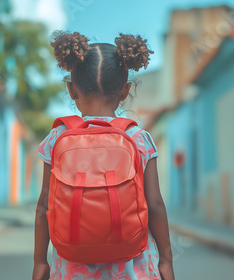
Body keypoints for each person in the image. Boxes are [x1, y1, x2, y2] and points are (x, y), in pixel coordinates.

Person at [32, 31, 175, 280]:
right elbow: (155, 205)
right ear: (124, 90)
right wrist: (166, 260)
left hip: (71, 266)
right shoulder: (140, 139)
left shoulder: (56, 139)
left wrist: (40, 262)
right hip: (133, 266)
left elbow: (44, 205)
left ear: (71, 89)